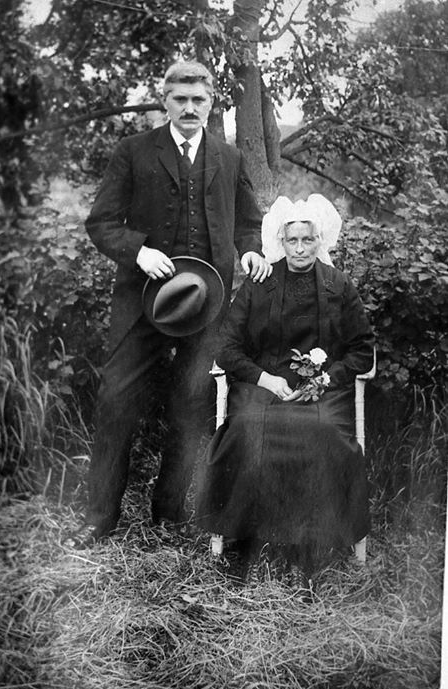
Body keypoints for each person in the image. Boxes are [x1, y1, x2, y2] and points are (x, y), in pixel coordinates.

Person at [68, 60, 272, 549]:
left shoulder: (228, 157)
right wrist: (138, 251)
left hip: (207, 304)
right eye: (180, 99)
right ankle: (99, 518)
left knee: (190, 406)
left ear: (211, 103)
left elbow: (248, 223)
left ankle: (168, 513)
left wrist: (250, 251)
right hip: (142, 303)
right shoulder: (134, 151)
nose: (189, 108)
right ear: (165, 101)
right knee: (115, 402)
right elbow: (101, 223)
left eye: (198, 99)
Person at [195, 194, 375, 587]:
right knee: (248, 428)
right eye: (292, 240)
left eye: (307, 240)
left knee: (324, 431)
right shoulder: (260, 283)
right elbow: (226, 347)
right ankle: (247, 535)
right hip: (264, 385)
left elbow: (363, 349)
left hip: (322, 390)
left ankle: (313, 541)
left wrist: (325, 380)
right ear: (280, 241)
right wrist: (265, 379)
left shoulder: (338, 285)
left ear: (320, 240)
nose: (300, 249)